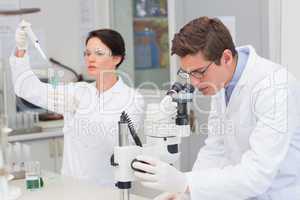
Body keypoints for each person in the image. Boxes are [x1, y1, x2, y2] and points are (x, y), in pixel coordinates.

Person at [132, 16, 300, 200]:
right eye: (188, 74)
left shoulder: (275, 87)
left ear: (226, 57)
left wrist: (186, 182)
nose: (194, 83)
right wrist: (186, 193)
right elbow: (215, 148)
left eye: (199, 72)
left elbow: (257, 175)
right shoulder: (221, 83)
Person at [10, 20, 144, 186]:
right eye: (87, 54)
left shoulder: (131, 98)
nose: (90, 59)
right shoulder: (76, 91)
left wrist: (81, 112)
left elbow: (115, 144)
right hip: (71, 185)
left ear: (116, 58)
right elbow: (27, 89)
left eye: (98, 53)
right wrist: (21, 50)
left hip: (106, 188)